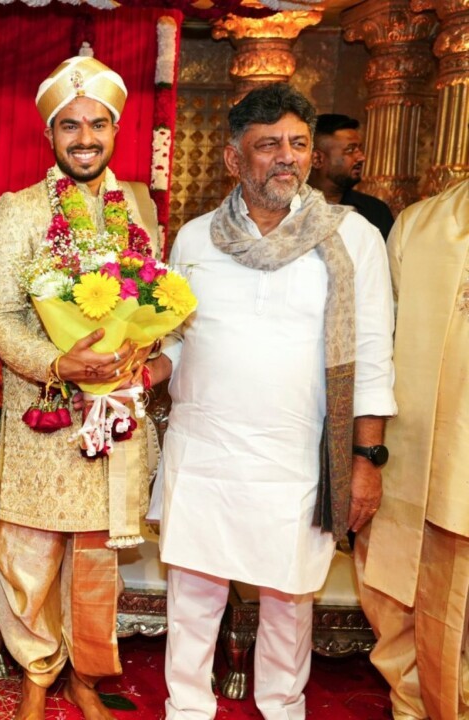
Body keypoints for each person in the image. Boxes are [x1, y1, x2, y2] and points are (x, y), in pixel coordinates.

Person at [154, 84, 396, 720]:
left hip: (296, 451)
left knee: (290, 595)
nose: (287, 157)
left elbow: (372, 355)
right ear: (234, 158)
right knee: (193, 589)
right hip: (204, 446)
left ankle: (283, 707)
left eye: (298, 144)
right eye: (269, 145)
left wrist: (366, 457)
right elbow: (177, 338)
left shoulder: (353, 238)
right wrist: (132, 371)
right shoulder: (196, 238)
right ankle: (186, 708)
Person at [0, 53, 160, 719]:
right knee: (26, 555)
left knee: (96, 559)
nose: (86, 138)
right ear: (49, 134)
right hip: (45, 412)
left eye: (98, 124)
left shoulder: (137, 208)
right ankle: (36, 674)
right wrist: (59, 365)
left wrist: (143, 345)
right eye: (70, 125)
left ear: (115, 130)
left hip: (115, 413)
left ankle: (86, 676)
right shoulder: (20, 210)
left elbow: (157, 296)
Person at [356, 178, 469, 720]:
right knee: (393, 583)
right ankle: (412, 706)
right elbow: (379, 340)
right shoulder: (420, 223)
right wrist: (367, 452)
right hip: (410, 450)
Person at [308, 113, 394, 238]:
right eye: (350, 150)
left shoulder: (376, 211)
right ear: (317, 159)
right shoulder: (287, 208)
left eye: (359, 149)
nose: (361, 157)